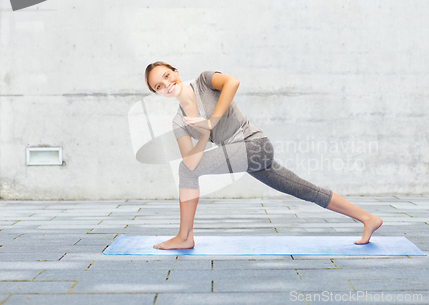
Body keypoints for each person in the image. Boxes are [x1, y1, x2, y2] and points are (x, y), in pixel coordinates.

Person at [144, 62, 383, 249]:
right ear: (158, 93)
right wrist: (205, 134)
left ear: (176, 71)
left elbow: (233, 83)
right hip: (246, 158)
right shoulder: (179, 122)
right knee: (305, 190)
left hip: (255, 146)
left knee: (185, 171)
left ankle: (185, 236)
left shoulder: (205, 81)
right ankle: (368, 218)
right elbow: (191, 161)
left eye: (166, 76)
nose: (166, 84)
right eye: (158, 86)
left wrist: (211, 121)